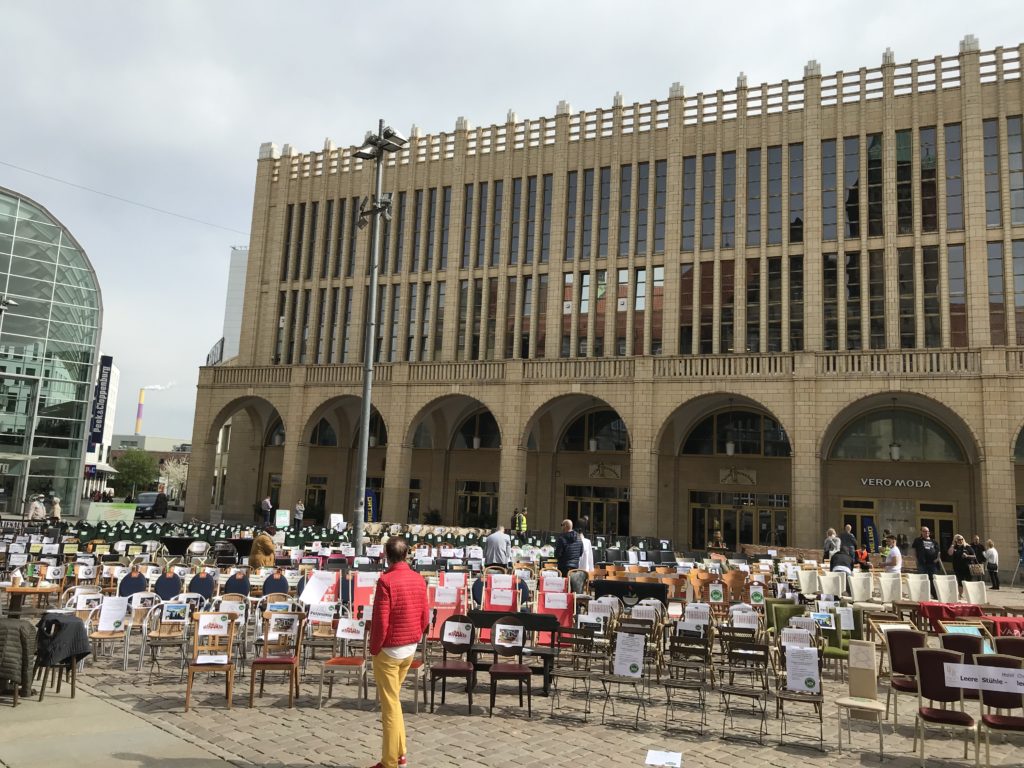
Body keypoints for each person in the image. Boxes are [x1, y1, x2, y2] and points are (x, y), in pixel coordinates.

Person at [369, 537, 429, 768]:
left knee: (390, 708)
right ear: (407, 555)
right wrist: (417, 635)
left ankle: (390, 762)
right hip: (409, 648)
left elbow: (380, 621)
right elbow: (425, 615)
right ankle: (400, 753)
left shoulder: (386, 581)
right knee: (394, 703)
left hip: (390, 650)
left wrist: (374, 648)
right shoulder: (418, 579)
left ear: (386, 554)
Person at [911, 526, 942, 597]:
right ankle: (924, 594)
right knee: (923, 579)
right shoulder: (918, 540)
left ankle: (935, 595)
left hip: (932, 564)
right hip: (922, 563)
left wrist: (937, 559)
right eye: (925, 531)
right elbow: (914, 550)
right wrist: (916, 559)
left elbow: (938, 551)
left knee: (933, 579)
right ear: (921, 532)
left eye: (928, 531)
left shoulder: (934, 541)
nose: (927, 532)